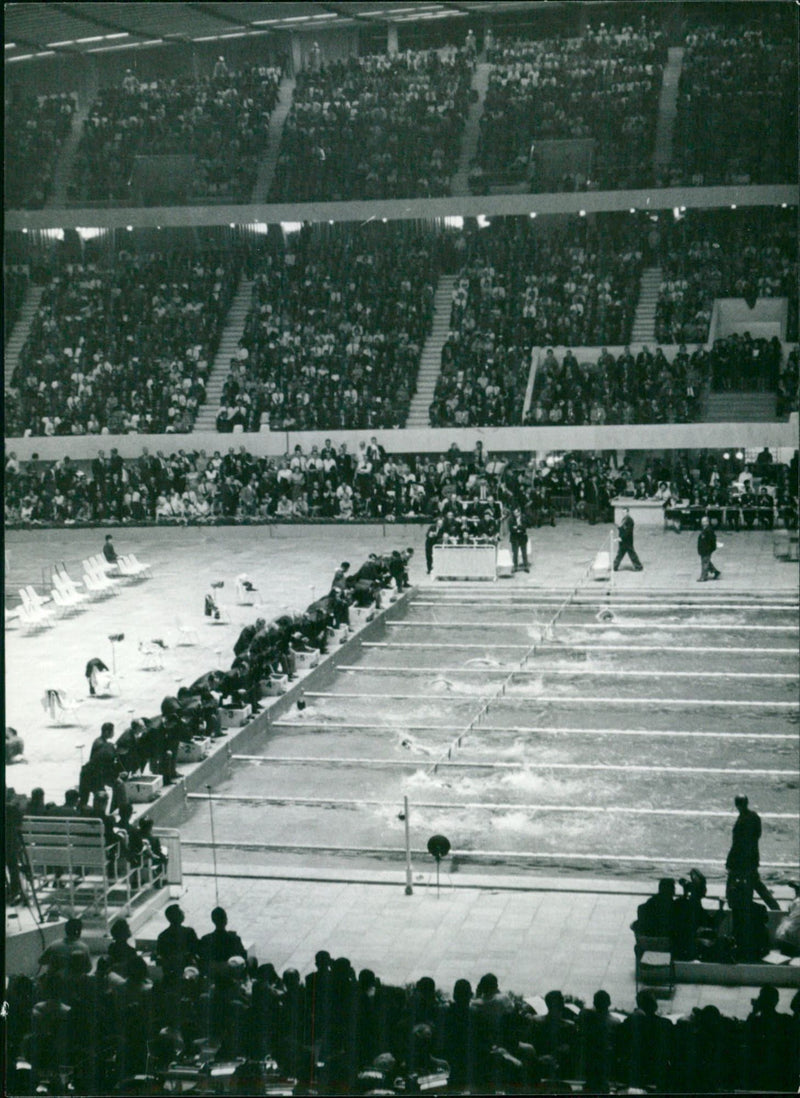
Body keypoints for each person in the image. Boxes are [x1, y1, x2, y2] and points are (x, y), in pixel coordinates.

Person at [726, 794, 778, 909]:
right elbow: (757, 836)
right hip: (752, 858)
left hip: (740, 861)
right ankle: (775, 908)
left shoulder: (741, 821)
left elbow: (737, 844)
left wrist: (730, 861)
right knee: (756, 884)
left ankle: (732, 911)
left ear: (736, 805)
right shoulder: (754, 817)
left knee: (731, 886)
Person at [697, 515, 720, 580]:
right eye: (702, 521)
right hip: (703, 549)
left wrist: (710, 548)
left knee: (705, 562)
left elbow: (711, 540)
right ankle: (715, 571)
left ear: (708, 522)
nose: (703, 523)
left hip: (707, 549)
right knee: (706, 561)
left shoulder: (709, 530)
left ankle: (703, 576)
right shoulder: (704, 529)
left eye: (704, 521)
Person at [509, 506, 530, 572]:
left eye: (516, 513)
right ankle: (515, 566)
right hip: (514, 538)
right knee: (515, 553)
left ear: (519, 512)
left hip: (522, 537)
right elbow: (511, 529)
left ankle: (525, 566)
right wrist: (518, 529)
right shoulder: (511, 519)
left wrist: (517, 527)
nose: (515, 514)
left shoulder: (524, 518)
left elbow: (525, 526)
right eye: (514, 513)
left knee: (524, 552)